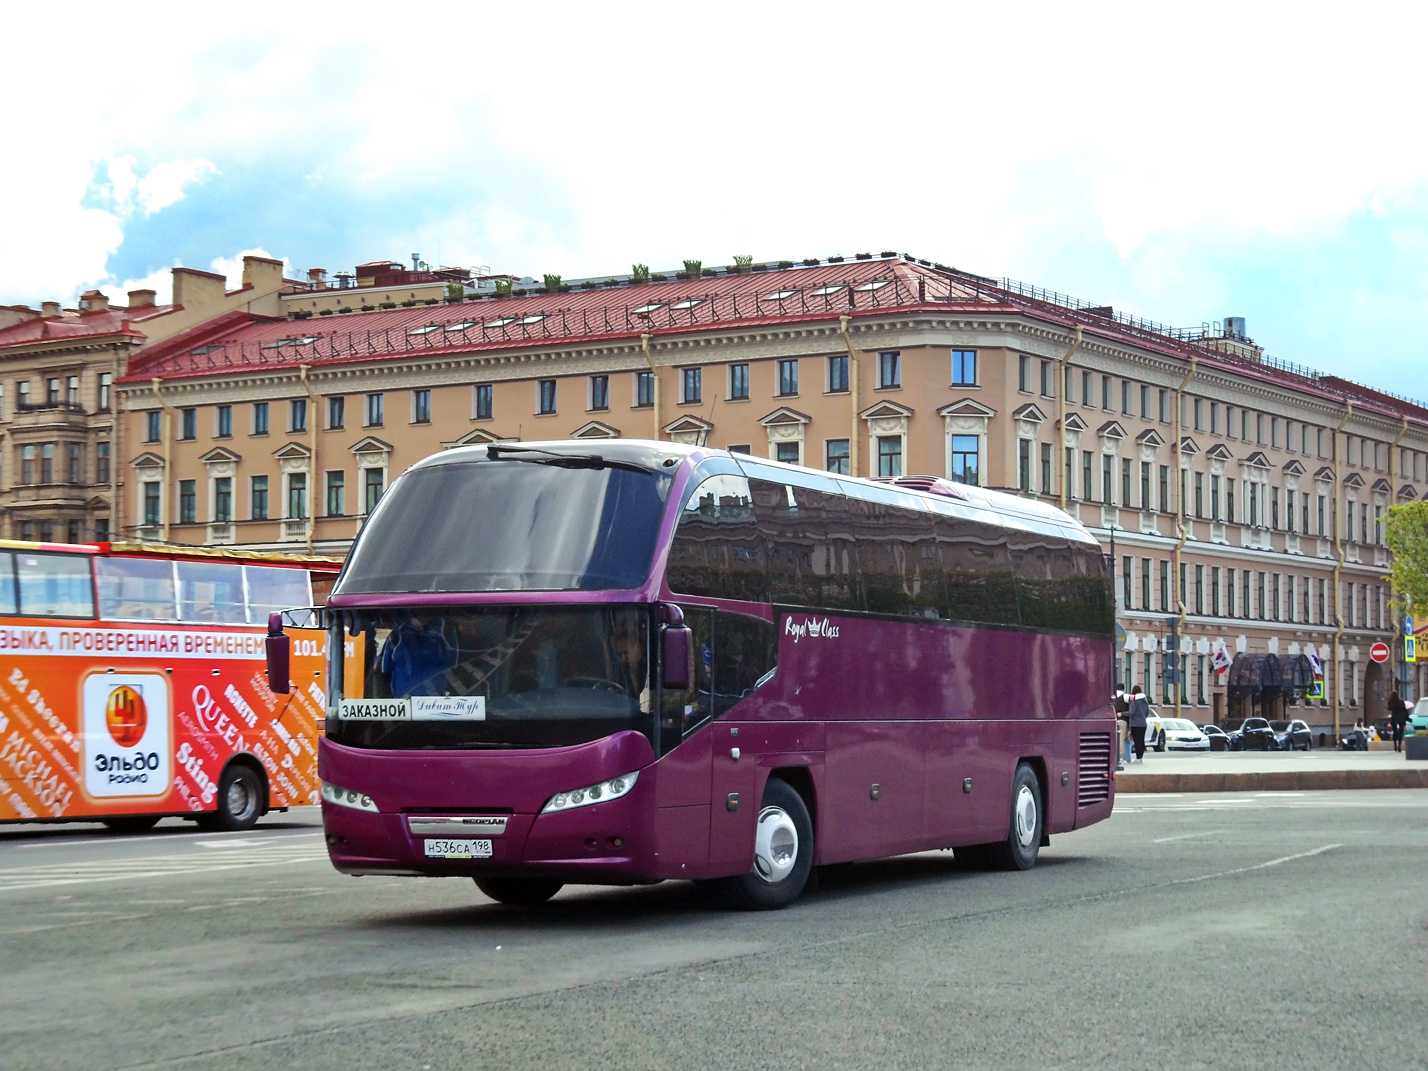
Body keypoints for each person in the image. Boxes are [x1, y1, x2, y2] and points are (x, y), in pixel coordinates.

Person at [1127, 684, 1151, 762]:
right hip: (1143, 723)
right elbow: (1147, 712)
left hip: (1135, 724)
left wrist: (1123, 713)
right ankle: (1140, 757)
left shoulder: (1134, 701)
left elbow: (1132, 712)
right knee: (1141, 740)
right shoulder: (1145, 700)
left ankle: (1138, 757)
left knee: (1137, 741)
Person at [1114, 689, 1131, 768]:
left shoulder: (1113, 697)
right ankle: (1121, 756)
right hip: (1123, 720)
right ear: (1123, 689)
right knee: (1122, 738)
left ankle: (1115, 755)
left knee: (1116, 738)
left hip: (1115, 720)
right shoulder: (1125, 697)